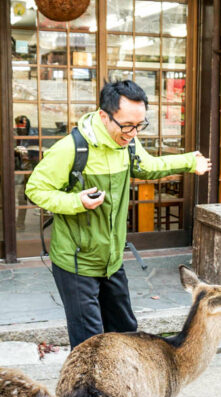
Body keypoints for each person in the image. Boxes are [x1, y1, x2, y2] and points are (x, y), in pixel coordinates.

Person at [25, 80, 211, 349]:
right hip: (76, 262)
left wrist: (189, 161)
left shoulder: (128, 144)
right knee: (90, 345)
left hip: (111, 259)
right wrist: (75, 201)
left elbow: (148, 166)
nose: (133, 133)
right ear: (104, 116)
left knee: (126, 332)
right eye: (127, 125)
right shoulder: (72, 148)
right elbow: (35, 189)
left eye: (140, 125)